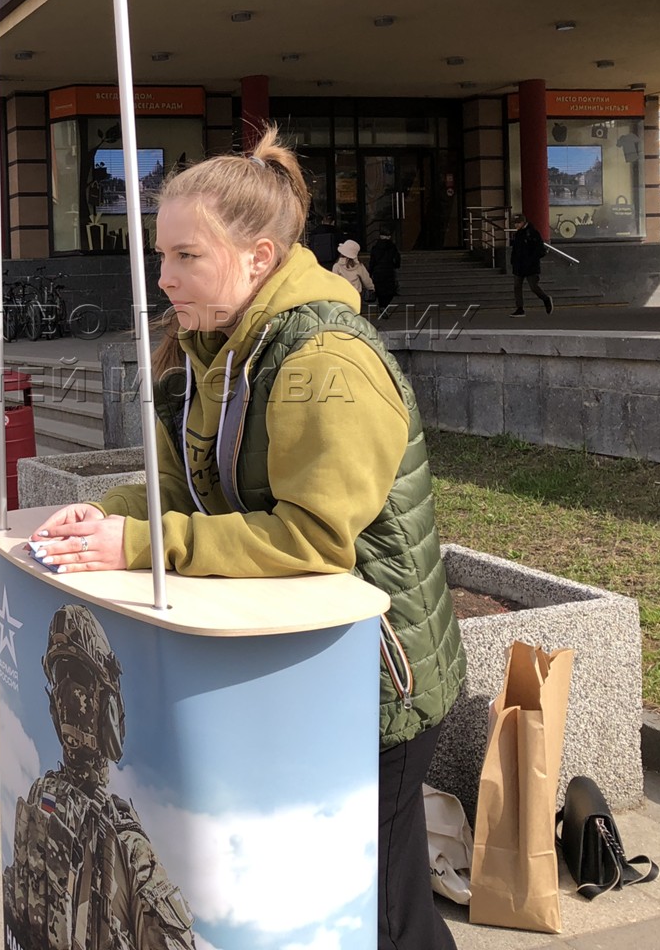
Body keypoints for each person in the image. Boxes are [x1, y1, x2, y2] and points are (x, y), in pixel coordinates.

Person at [33, 127, 466, 950]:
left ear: (259, 257)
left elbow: (314, 540)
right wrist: (109, 514)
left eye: (185, 256)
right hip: (296, 670)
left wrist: (143, 546)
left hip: (374, 683)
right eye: (160, 255)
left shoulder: (327, 362)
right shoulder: (204, 348)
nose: (163, 277)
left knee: (383, 916)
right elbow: (178, 489)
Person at [4, 605, 197, 950]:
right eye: (62, 678)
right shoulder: (127, 849)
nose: (68, 695)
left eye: (77, 677)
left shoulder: (42, 799)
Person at [509, 215, 554, 316]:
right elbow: (515, 250)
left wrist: (531, 259)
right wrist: (513, 261)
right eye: (515, 223)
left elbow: (540, 250)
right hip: (519, 265)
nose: (516, 225)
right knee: (517, 286)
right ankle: (520, 308)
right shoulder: (517, 234)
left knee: (533, 286)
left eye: (518, 223)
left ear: (523, 222)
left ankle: (546, 299)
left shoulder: (533, 233)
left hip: (531, 266)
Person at [331, 238, 375, 308]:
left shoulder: (337, 266)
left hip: (342, 295)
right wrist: (371, 288)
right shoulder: (359, 266)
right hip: (356, 294)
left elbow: (334, 282)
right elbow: (366, 279)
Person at [367, 231, 402, 310]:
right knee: (389, 291)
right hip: (389, 271)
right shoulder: (393, 247)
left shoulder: (375, 247)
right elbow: (397, 260)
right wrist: (395, 265)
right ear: (389, 237)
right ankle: (384, 306)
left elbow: (372, 262)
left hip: (378, 271)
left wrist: (370, 273)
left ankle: (381, 305)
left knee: (380, 290)